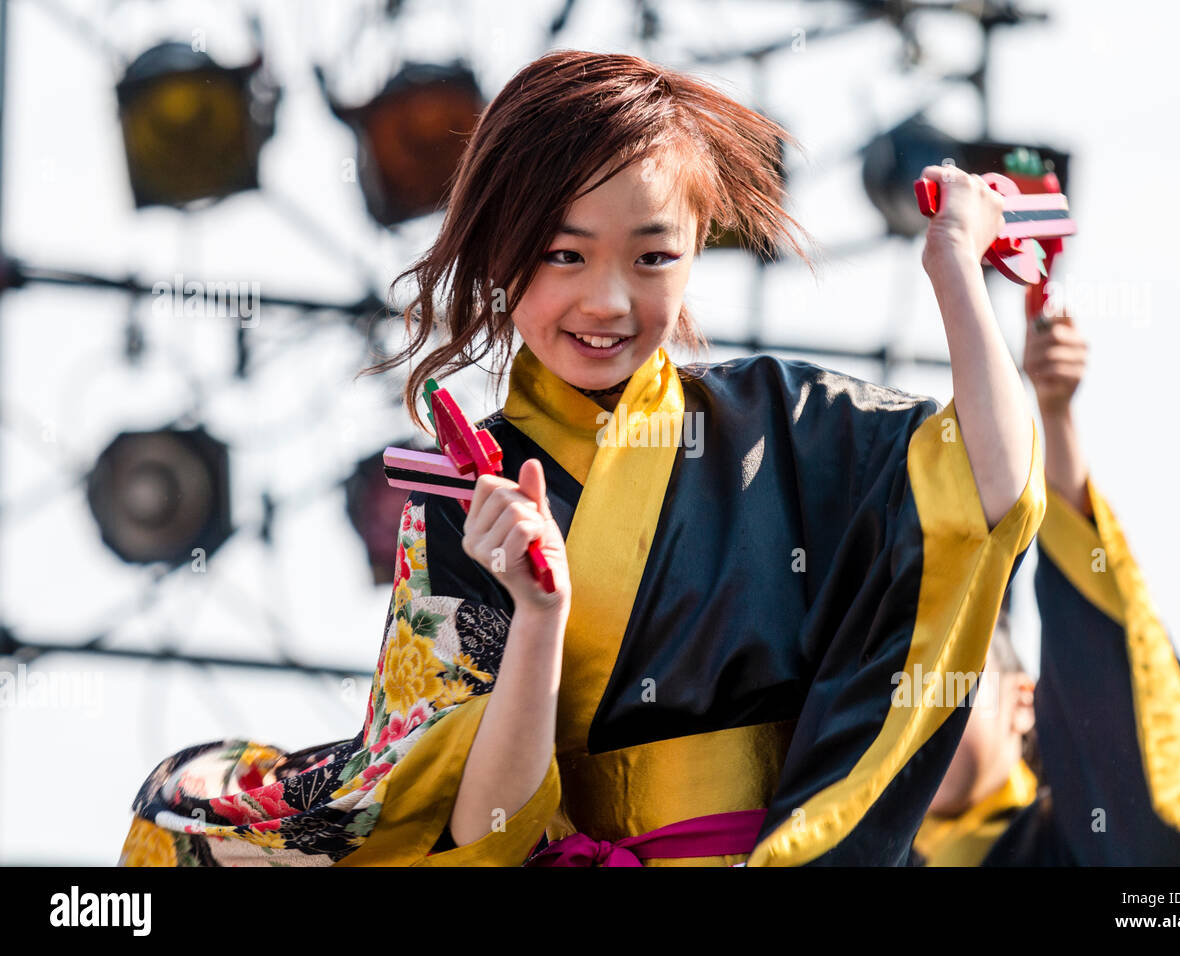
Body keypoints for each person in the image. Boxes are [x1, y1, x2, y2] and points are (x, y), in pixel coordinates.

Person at [117, 49, 1046, 867]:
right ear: (498, 252)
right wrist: (538, 618)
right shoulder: (461, 504)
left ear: (694, 253)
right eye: (564, 254)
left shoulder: (788, 422)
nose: (607, 301)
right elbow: (485, 827)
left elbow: (990, 497)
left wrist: (955, 270)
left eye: (652, 258)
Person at [910, 306, 1180, 866]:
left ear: (1021, 705)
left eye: (952, 679)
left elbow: (1096, 674)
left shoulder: (1070, 845)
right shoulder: (847, 841)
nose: (921, 710)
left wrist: (1054, 414)